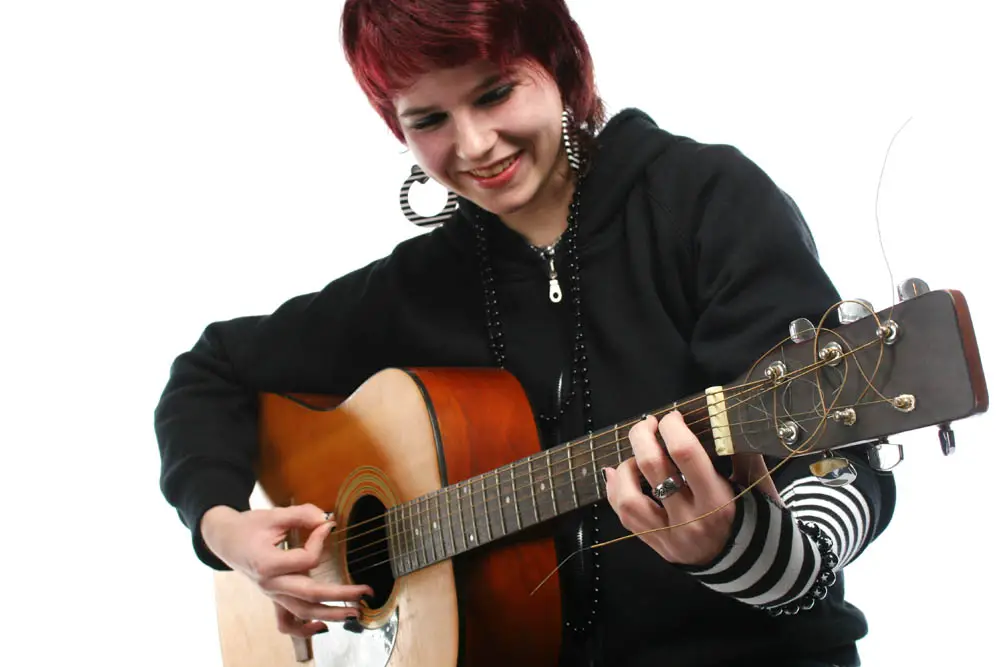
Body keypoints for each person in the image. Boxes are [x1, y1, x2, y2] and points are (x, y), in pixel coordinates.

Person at [154, 1, 896, 665]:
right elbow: (210, 370)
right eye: (430, 120)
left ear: (561, 65)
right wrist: (225, 533)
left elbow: (843, 472)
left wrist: (737, 549)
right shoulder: (419, 285)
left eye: (495, 91)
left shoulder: (704, 201)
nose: (475, 145)